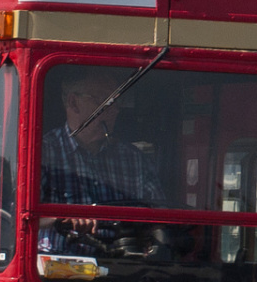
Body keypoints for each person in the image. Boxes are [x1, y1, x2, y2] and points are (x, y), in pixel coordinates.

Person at [37, 65, 165, 207]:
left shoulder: (134, 160)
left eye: (116, 101)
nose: (115, 110)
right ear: (73, 103)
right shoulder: (43, 155)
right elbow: (25, 213)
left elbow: (158, 216)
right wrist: (63, 220)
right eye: (105, 102)